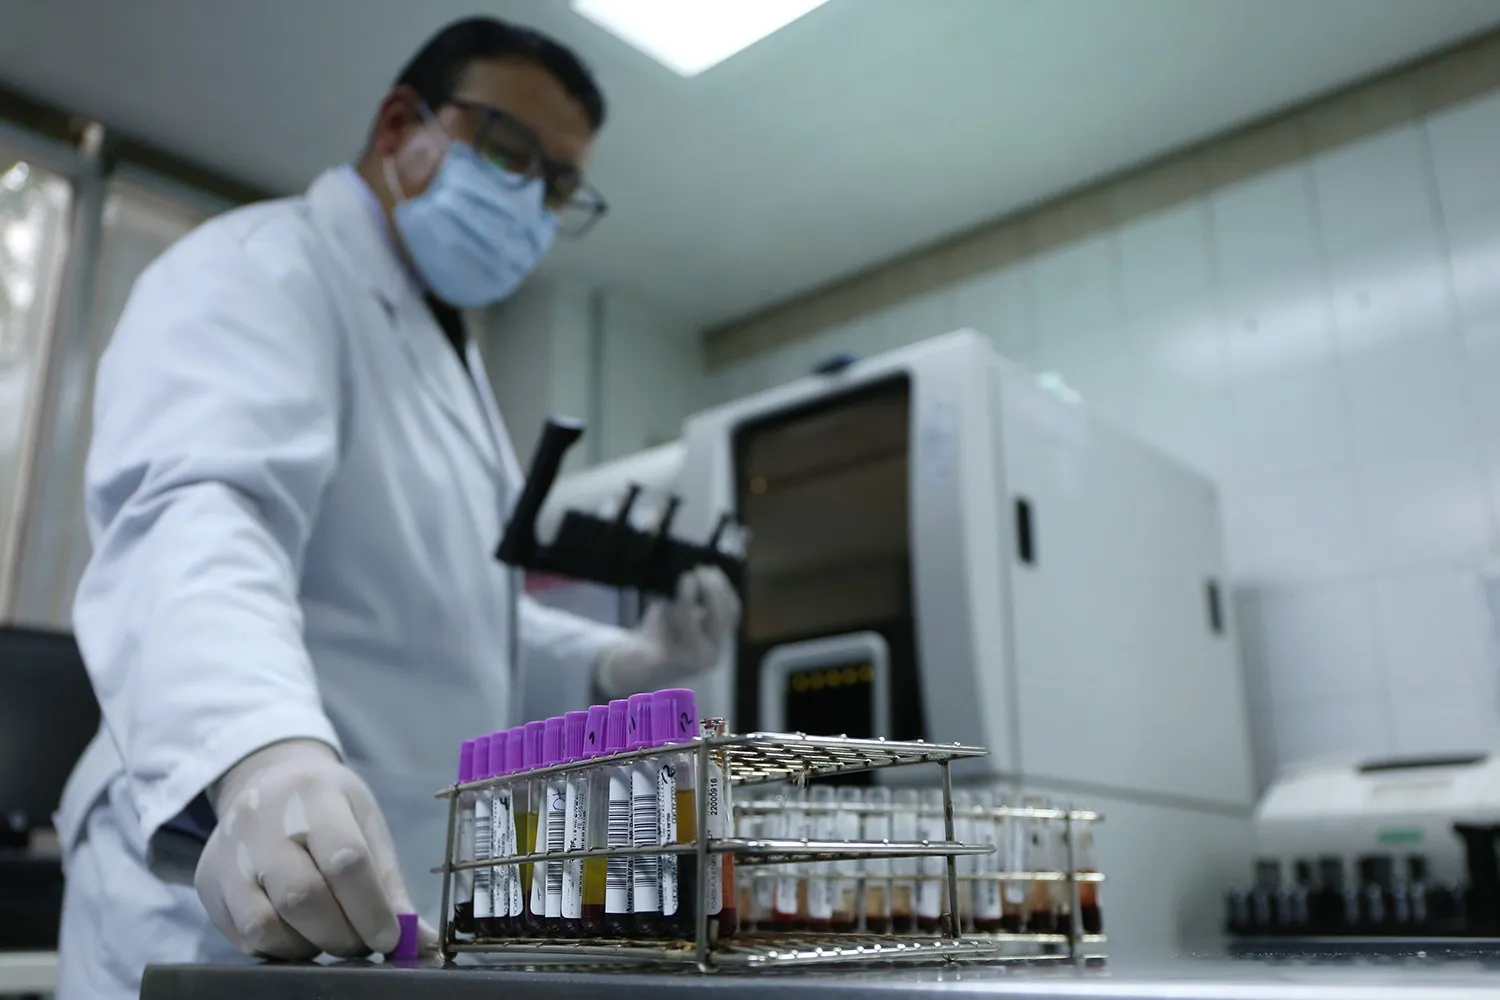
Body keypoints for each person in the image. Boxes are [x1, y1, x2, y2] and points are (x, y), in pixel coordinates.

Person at [52, 17, 739, 1000]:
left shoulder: (451, 364)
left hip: (388, 886)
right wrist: (261, 753)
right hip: (221, 873)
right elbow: (198, 519)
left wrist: (620, 663)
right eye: (507, 150)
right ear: (398, 126)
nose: (530, 198)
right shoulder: (262, 265)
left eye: (556, 185)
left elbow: (457, 626)